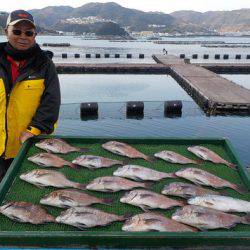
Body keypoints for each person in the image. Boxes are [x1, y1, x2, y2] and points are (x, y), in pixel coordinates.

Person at [0, 10, 61, 180]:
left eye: (29, 32)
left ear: (35, 35)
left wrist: (34, 130)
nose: (23, 36)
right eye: (17, 31)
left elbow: (51, 102)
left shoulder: (45, 65)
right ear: (6, 31)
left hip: (27, 145)